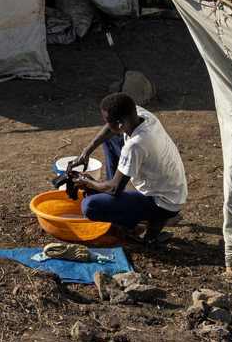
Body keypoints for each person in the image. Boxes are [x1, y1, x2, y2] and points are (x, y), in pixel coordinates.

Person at [66, 92, 187, 242]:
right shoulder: (140, 115)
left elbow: (114, 188)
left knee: (90, 206)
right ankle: (116, 199)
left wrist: (88, 182)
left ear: (120, 124)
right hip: (173, 189)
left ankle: (143, 223)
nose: (105, 123)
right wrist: (86, 152)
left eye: (107, 121)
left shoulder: (135, 145)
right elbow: (110, 129)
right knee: (110, 139)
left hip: (163, 202)